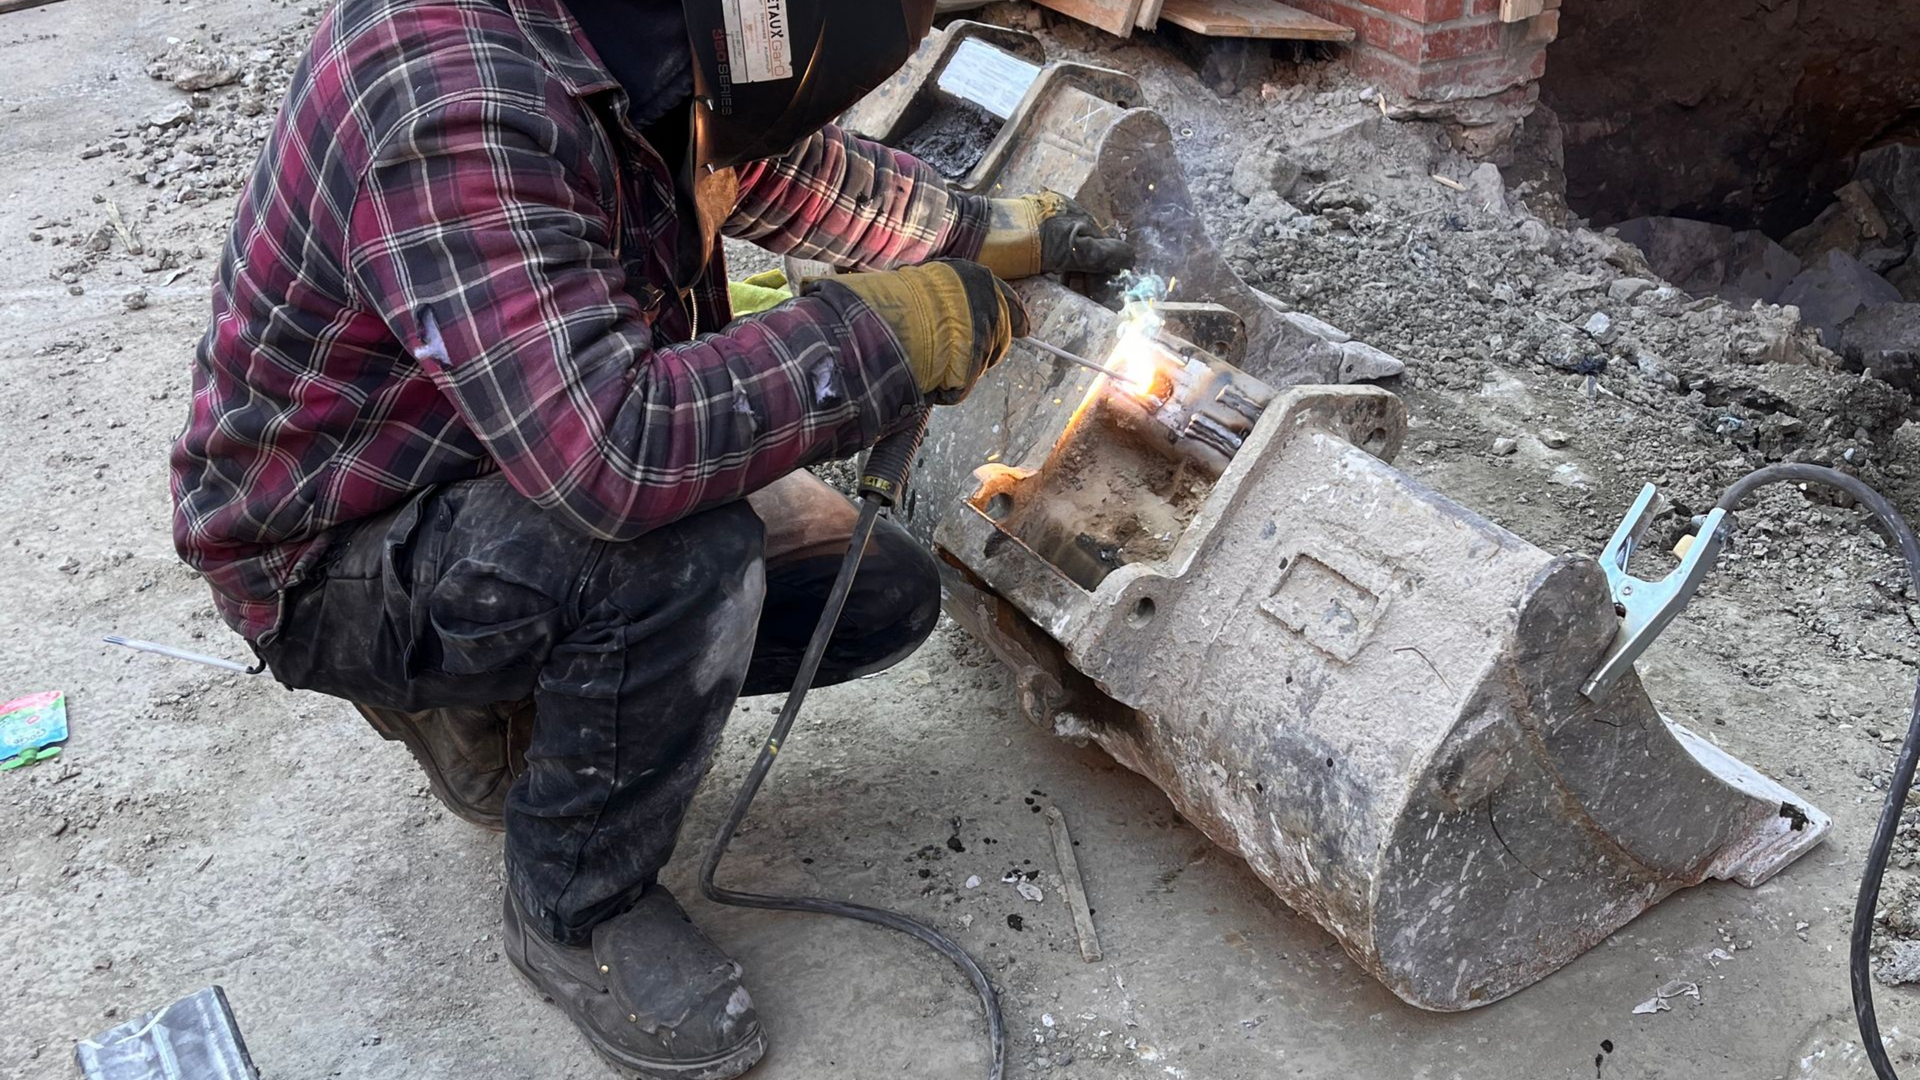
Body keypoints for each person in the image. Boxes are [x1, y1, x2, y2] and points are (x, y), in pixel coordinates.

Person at [168, 0, 1131, 1075]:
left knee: (873, 589)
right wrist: (887, 332)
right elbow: (614, 457)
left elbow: (778, 174)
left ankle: (505, 709)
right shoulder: (453, 97)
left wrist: (980, 230)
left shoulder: (639, 47)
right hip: (337, 551)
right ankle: (575, 905)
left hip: (505, 456)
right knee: (680, 556)